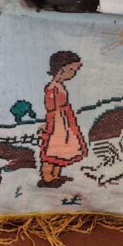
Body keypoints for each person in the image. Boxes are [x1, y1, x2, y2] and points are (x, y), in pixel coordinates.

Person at [38, 50, 87, 189]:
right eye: (71, 69)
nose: (73, 73)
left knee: (61, 149)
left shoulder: (59, 86)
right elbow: (51, 108)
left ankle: (55, 175)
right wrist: (49, 124)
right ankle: (47, 177)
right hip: (57, 123)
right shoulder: (52, 88)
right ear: (60, 69)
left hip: (63, 122)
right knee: (52, 150)